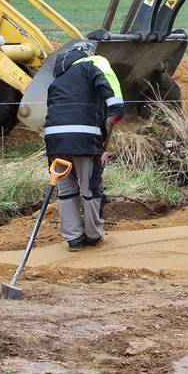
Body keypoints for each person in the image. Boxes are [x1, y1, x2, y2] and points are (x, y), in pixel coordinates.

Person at [44, 40, 124, 251]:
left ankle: (73, 238)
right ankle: (93, 236)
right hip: (84, 137)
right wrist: (116, 108)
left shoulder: (58, 78)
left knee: (66, 189)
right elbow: (107, 79)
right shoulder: (93, 61)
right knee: (89, 187)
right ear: (87, 52)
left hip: (54, 140)